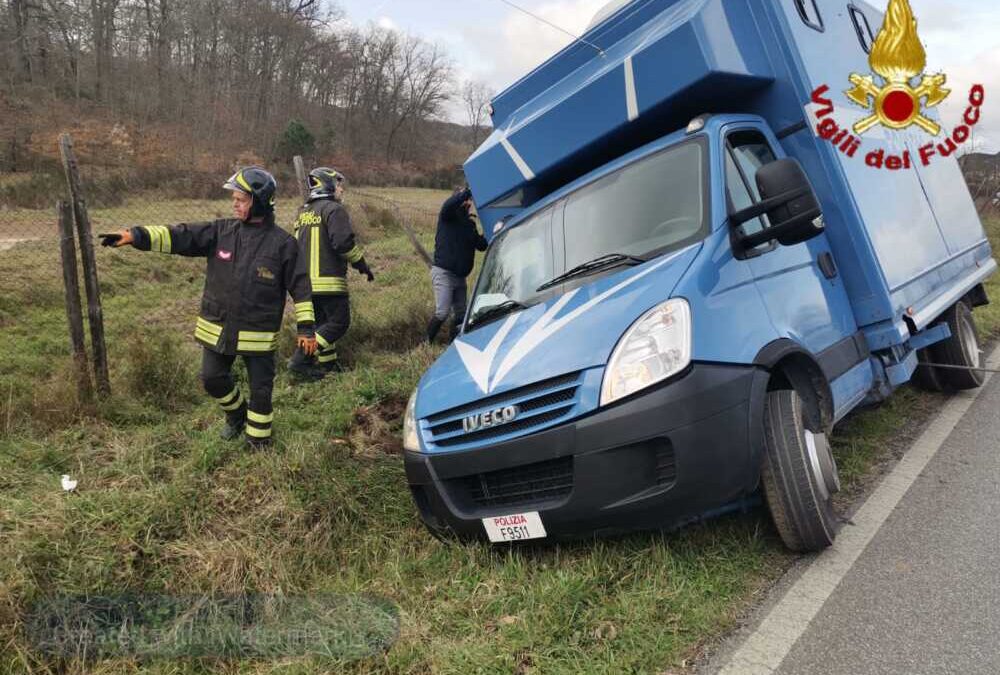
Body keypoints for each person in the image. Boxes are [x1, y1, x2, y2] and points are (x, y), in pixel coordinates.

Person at [99, 166, 316, 448]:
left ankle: (258, 444)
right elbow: (181, 235)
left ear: (259, 201)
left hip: (258, 338)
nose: (234, 203)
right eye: (234, 198)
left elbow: (301, 287)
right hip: (219, 328)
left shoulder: (283, 244)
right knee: (212, 379)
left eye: (241, 199)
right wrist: (136, 236)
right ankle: (237, 416)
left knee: (261, 393)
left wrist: (307, 329)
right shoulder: (221, 232)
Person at [287, 167, 374, 380]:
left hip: (304, 284)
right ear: (327, 185)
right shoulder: (334, 210)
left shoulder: (303, 212)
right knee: (338, 323)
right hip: (328, 281)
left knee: (322, 326)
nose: (341, 189)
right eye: (338, 184)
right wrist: (361, 264)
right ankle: (301, 360)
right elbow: (343, 244)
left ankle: (328, 366)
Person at [428, 186, 487, 342]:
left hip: (460, 277)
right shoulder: (447, 217)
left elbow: (481, 245)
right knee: (442, 312)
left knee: (461, 314)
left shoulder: (469, 225)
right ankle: (426, 343)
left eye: (469, 201)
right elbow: (449, 204)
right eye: (464, 200)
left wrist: (492, 230)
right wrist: (467, 192)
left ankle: (453, 344)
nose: (467, 204)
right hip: (444, 273)